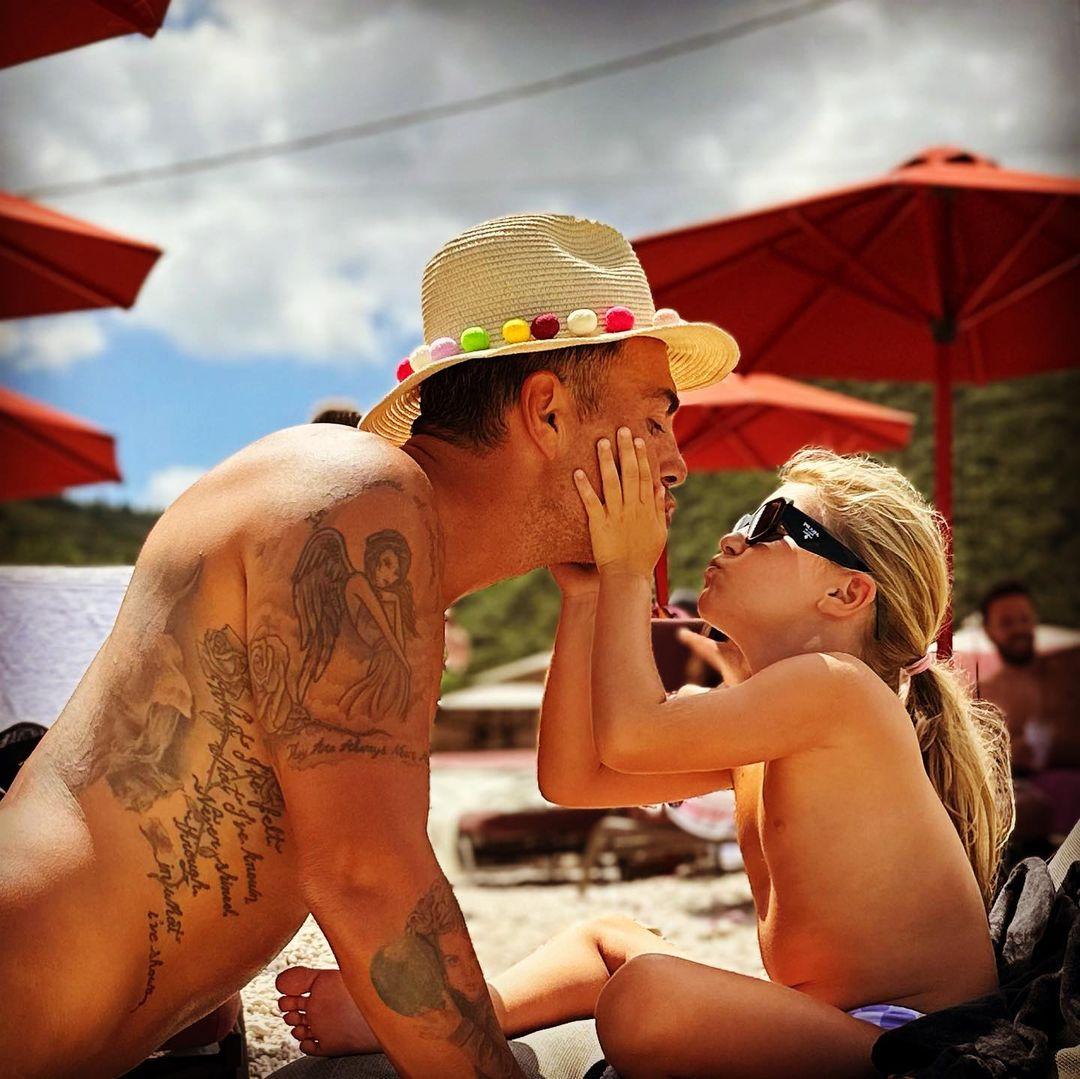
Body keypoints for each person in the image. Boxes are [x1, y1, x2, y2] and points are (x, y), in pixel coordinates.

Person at [0, 212, 738, 1079]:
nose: (675, 462)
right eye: (655, 421)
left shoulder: (381, 532)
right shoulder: (352, 493)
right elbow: (366, 877)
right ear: (546, 410)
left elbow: (565, 780)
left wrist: (597, 589)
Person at [277, 443, 1015, 1078]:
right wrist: (587, 597)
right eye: (742, 521)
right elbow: (576, 777)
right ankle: (464, 1015)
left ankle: (437, 1021)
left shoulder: (839, 691)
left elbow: (631, 733)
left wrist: (630, 570)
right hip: (832, 1024)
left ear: (846, 591)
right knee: (605, 943)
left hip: (917, 1044)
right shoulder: (774, 715)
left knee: (645, 995)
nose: (732, 538)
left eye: (770, 526)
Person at [978, 580, 1080, 840]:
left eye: (1024, 619)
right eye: (1007, 623)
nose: (1019, 629)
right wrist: (1012, 754)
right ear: (989, 631)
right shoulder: (985, 693)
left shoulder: (1068, 669)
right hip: (1026, 811)